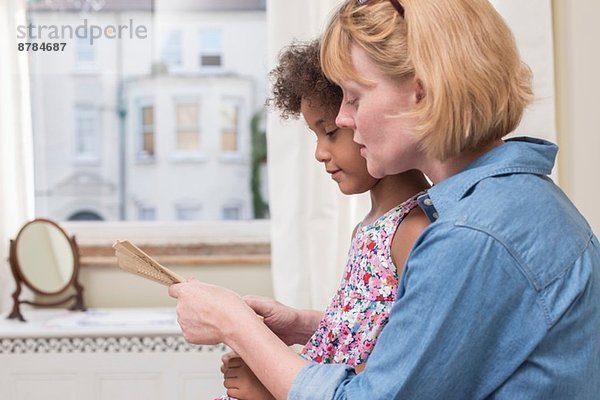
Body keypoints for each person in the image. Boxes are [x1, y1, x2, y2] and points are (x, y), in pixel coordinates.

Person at [170, 1, 600, 399]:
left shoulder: (473, 236)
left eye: (355, 97)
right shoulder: (508, 207)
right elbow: (436, 351)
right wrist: (306, 325)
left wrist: (237, 326)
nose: (342, 117)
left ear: (421, 92)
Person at [214, 38, 430, 400]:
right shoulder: (369, 226)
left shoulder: (414, 229)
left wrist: (271, 390)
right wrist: (301, 325)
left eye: (330, 132)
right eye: (315, 135)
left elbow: (399, 370)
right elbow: (360, 331)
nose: (319, 152)